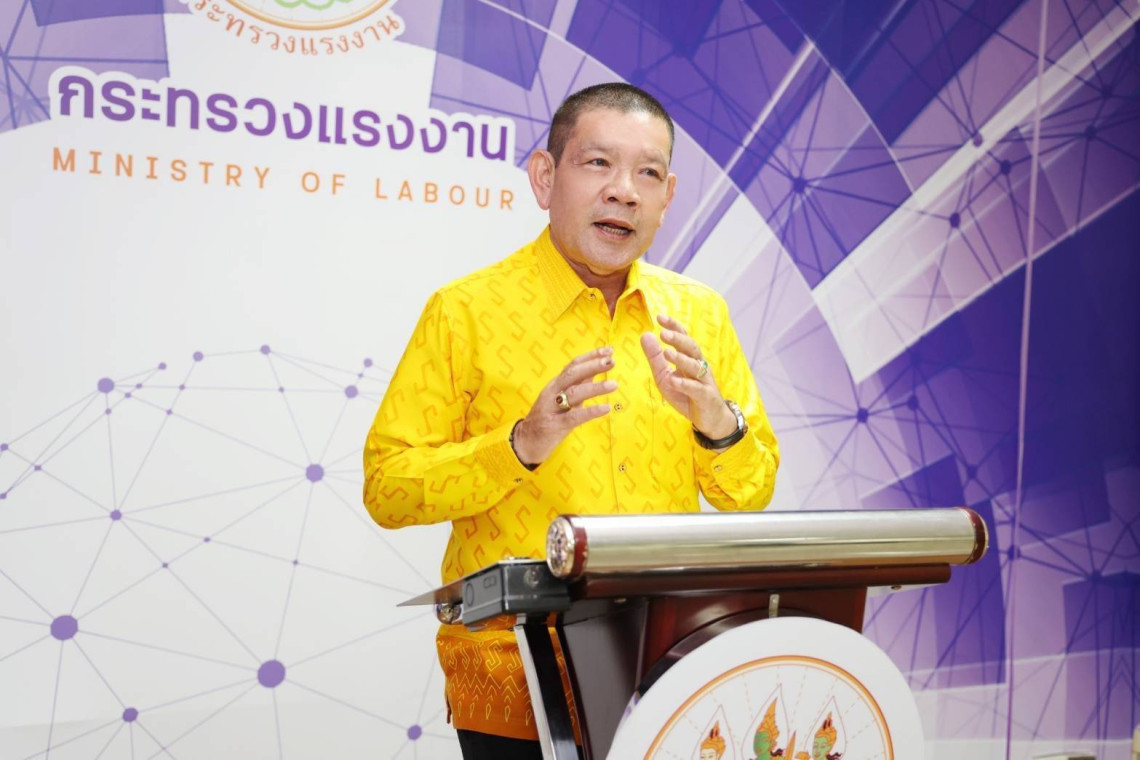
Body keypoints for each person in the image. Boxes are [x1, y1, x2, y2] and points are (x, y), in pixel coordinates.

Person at [363, 82, 779, 759]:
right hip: (515, 678)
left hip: (669, 673)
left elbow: (751, 491)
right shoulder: (464, 312)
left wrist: (716, 423)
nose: (625, 192)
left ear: (668, 197)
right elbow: (389, 489)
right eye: (599, 163)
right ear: (544, 176)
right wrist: (519, 445)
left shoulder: (698, 315)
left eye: (648, 173)